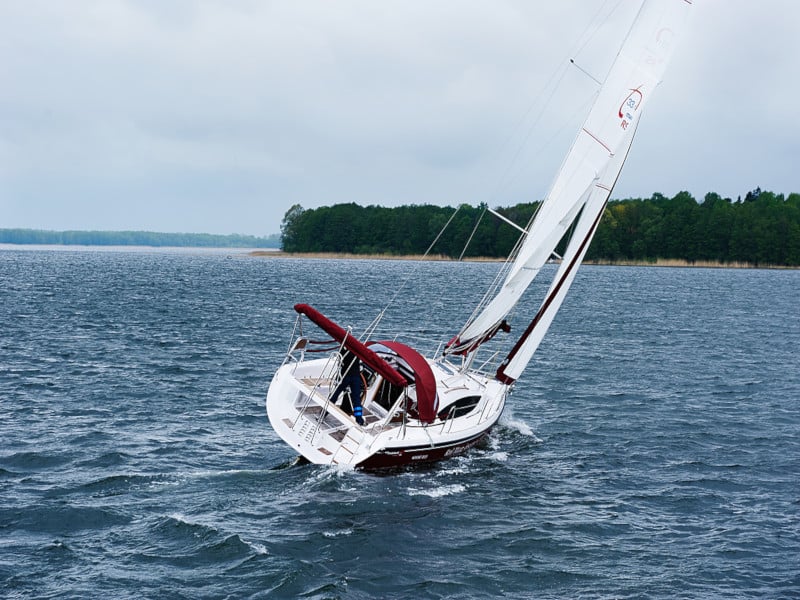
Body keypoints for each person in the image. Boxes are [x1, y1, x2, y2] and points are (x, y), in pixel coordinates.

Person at [330, 349, 365, 425]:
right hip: (355, 376)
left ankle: (324, 412)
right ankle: (359, 420)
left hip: (345, 376)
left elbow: (340, 362)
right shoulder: (357, 350)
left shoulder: (343, 350)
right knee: (356, 399)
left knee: (335, 395)